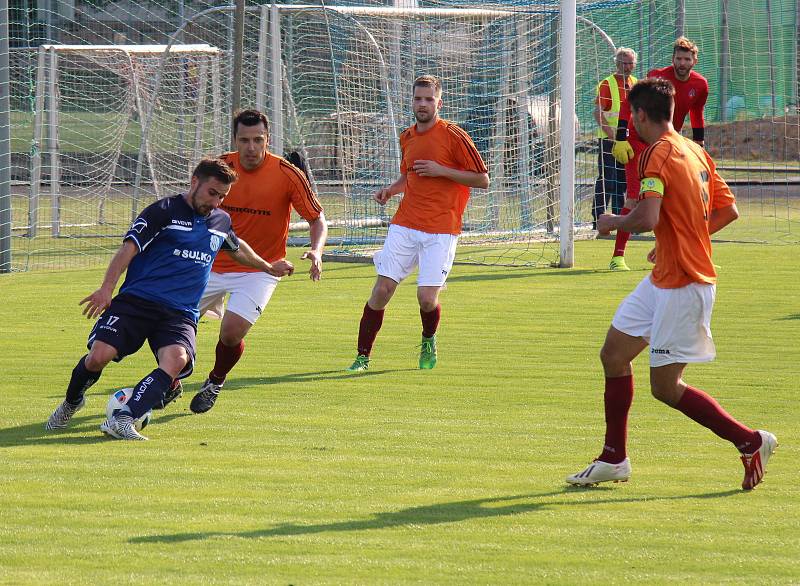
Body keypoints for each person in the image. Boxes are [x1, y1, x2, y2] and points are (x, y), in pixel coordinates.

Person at [566, 78, 776, 490]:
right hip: (665, 278)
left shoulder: (656, 154)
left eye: (631, 117)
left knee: (664, 387)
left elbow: (646, 218)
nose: (631, 124)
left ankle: (750, 441)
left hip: (685, 284)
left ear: (640, 116)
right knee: (613, 354)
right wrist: (678, 241)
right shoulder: (695, 150)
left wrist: (612, 223)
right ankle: (614, 457)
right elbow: (728, 210)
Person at [45, 158, 293, 440]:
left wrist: (268, 267)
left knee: (177, 359)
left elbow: (236, 247)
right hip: (137, 301)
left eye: (223, 196)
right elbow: (128, 249)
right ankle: (72, 402)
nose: (216, 202)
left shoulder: (220, 221)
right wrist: (106, 289)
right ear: (194, 182)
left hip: (180, 312)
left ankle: (124, 417)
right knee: (98, 357)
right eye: (212, 193)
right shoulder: (162, 212)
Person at [346, 74, 489, 372]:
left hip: (442, 228)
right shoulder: (407, 136)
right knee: (382, 290)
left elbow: (482, 179)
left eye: (428, 99)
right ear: (411, 101)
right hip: (406, 223)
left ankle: (428, 339)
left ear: (439, 102)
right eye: (417, 98)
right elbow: (409, 175)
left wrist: (441, 170)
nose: (422, 104)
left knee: (426, 298)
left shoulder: (454, 135)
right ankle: (362, 357)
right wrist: (390, 189)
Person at [188, 109, 327, 414]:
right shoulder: (220, 168)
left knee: (231, 332)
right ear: (234, 140)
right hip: (209, 264)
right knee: (170, 325)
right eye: (244, 140)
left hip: (262, 268)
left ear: (268, 138)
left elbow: (317, 220)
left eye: (258, 140)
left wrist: (316, 251)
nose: (251, 147)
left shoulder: (288, 173)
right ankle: (172, 379)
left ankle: (215, 381)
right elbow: (192, 207)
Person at [608, 36, 709, 271]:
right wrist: (622, 135)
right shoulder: (658, 76)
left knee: (675, 198)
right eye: (678, 58)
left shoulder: (700, 85)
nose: (681, 63)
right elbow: (628, 102)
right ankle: (617, 257)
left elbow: (697, 115)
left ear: (694, 60)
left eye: (686, 58)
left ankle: (675, 252)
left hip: (668, 143)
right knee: (634, 197)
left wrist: (699, 145)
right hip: (637, 140)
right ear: (672, 59)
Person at [592, 48, 637, 229]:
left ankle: (620, 220)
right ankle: (598, 220)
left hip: (629, 143)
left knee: (624, 182)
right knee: (607, 180)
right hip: (609, 142)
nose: (626, 67)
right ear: (616, 63)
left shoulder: (635, 83)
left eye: (629, 63)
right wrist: (615, 137)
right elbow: (598, 113)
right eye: (623, 63)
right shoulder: (607, 84)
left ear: (634, 64)